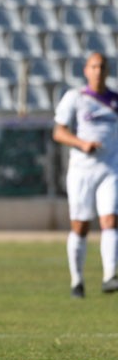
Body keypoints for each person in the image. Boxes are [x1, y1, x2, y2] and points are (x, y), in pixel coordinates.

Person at [53, 52, 118, 298]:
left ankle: (110, 275)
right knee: (80, 226)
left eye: (102, 67)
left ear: (107, 71)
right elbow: (59, 132)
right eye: (94, 67)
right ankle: (77, 281)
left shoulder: (114, 100)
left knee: (110, 220)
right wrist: (82, 144)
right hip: (82, 171)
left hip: (110, 169)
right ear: (86, 70)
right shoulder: (76, 98)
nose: (98, 71)